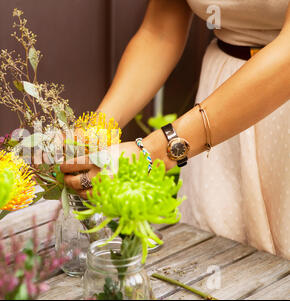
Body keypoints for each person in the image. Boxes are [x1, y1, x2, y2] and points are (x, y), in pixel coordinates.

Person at [60, 0, 290, 259]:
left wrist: (151, 154)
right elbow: (160, 32)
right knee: (215, 258)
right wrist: (97, 131)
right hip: (217, 114)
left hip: (279, 113)